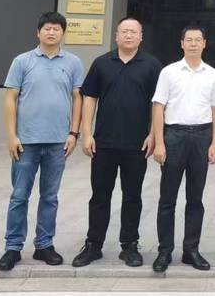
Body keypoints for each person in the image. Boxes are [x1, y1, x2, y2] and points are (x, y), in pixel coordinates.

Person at [0, 12, 84, 272]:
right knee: (19, 196)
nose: (51, 32)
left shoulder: (73, 62)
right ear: (38, 32)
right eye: (47, 28)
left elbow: (77, 98)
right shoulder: (22, 61)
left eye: (57, 29)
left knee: (50, 196)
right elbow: (10, 99)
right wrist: (12, 136)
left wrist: (74, 133)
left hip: (58, 143)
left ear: (63, 33)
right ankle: (13, 247)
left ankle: (44, 245)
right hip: (26, 143)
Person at [72, 18, 161, 268]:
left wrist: (153, 134)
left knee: (132, 197)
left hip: (137, 145)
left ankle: (129, 245)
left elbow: (158, 103)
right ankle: (93, 245)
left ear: (141, 36)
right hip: (104, 144)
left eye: (133, 32)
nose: (128, 36)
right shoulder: (102, 63)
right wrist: (87, 134)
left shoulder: (152, 65)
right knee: (100, 196)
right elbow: (90, 98)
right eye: (124, 32)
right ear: (116, 36)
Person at [150, 25, 215, 273]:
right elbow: (158, 107)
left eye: (197, 40)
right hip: (174, 136)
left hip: (201, 137)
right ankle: (164, 251)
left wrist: (214, 143)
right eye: (189, 40)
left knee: (195, 199)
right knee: (168, 198)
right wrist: (159, 142)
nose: (193, 44)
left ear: (204, 43)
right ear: (181, 43)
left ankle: (191, 250)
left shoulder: (212, 74)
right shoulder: (169, 72)